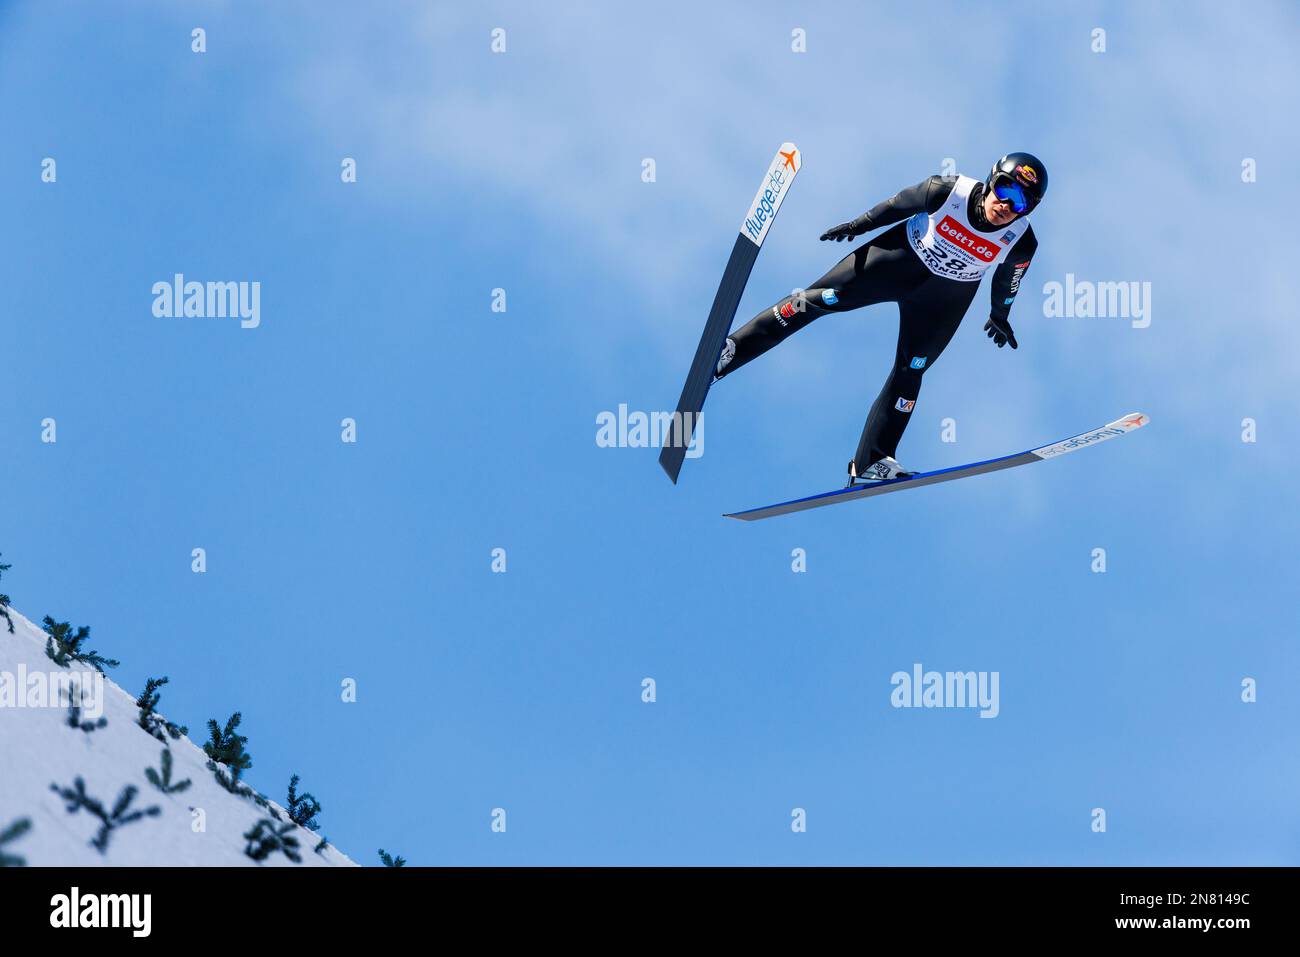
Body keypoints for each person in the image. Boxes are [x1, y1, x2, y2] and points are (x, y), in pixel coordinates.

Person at [713, 152, 1047, 484]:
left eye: (1021, 203)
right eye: (1005, 190)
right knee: (817, 301)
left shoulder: (1020, 240)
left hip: (944, 298)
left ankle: (872, 461)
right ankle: (730, 351)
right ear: (991, 180)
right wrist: (857, 226)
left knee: (912, 369)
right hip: (896, 261)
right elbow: (896, 206)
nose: (1007, 205)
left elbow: (1009, 280)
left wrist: (999, 315)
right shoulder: (947, 192)